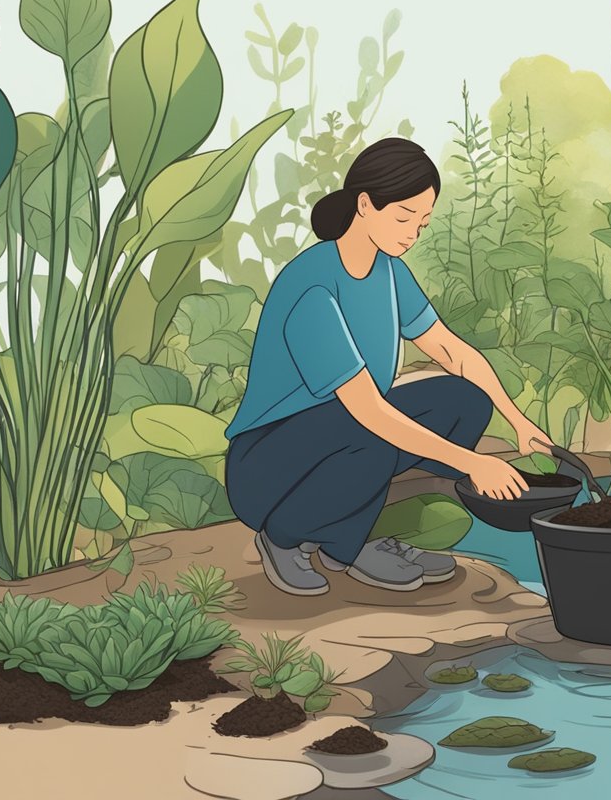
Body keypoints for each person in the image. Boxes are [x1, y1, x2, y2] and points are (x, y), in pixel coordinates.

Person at [224, 137, 556, 596]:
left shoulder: (390, 272)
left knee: (465, 401)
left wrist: (518, 421)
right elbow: (366, 409)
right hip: (267, 463)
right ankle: (283, 537)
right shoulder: (313, 288)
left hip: (343, 431)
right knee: (375, 439)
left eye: (421, 223)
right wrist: (473, 463)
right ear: (364, 204)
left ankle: (350, 542)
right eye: (403, 217)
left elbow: (452, 351)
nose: (411, 234)